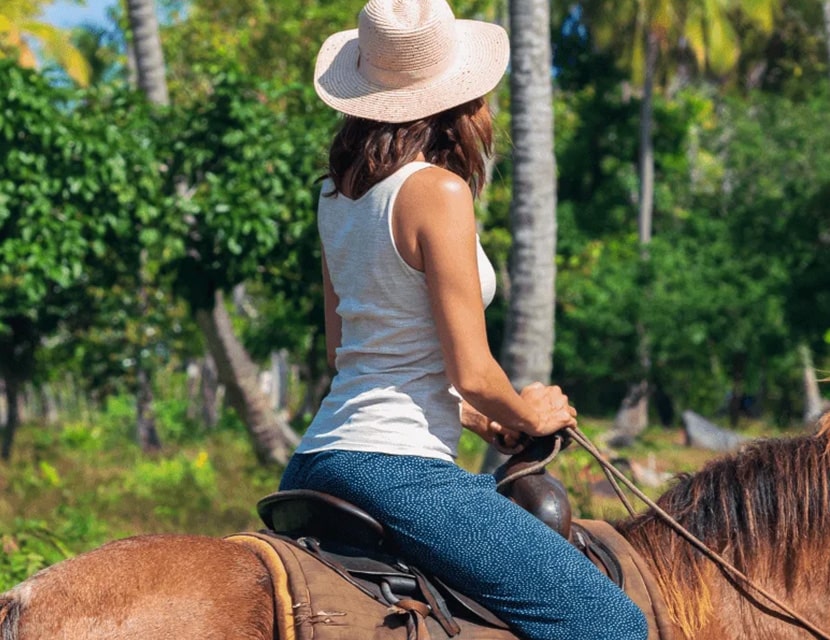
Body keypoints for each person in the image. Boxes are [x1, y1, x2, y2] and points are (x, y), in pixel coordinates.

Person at [279, 1, 648, 638]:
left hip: (316, 459)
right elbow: (474, 373)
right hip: (397, 468)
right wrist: (532, 415)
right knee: (610, 622)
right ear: (457, 101)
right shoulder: (437, 191)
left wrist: (477, 422)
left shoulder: (335, 195)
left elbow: (351, 356)